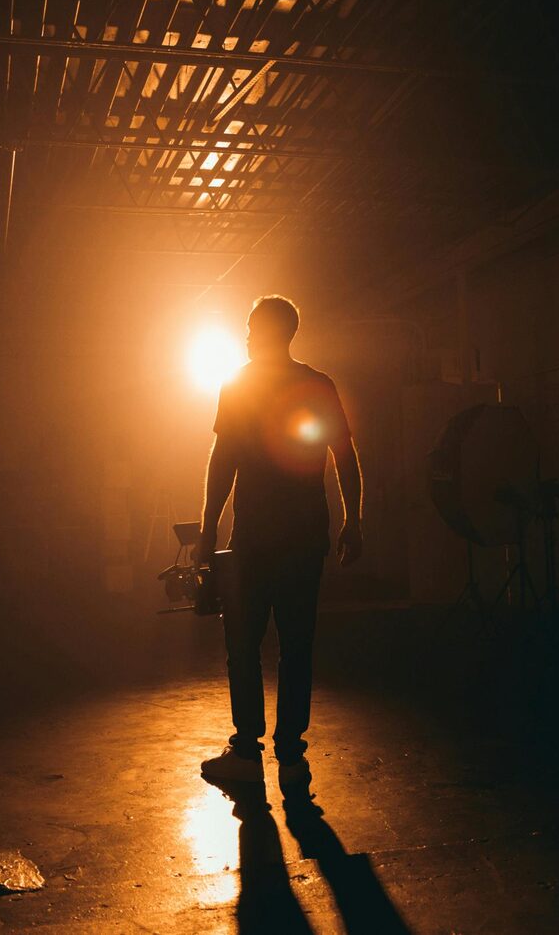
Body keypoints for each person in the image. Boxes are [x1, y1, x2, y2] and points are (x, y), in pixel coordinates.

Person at [196, 294, 363, 785]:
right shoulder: (316, 384)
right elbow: (344, 456)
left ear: (271, 332)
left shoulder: (240, 386)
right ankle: (289, 751)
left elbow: (222, 460)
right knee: (297, 646)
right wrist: (354, 520)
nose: (247, 336)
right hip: (304, 537)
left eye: (251, 327)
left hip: (255, 540)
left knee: (243, 645)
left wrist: (209, 526)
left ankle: (247, 751)